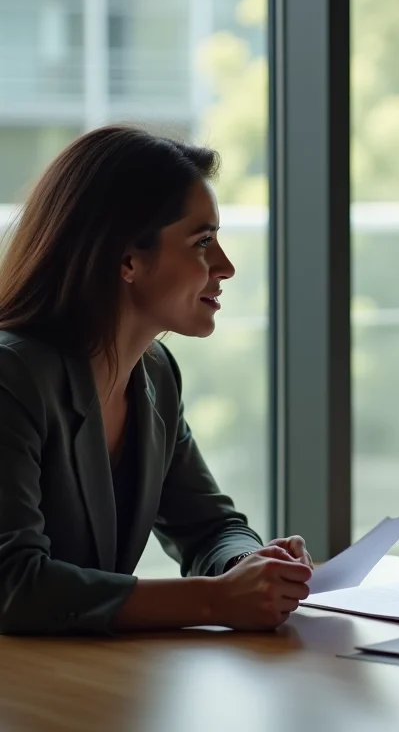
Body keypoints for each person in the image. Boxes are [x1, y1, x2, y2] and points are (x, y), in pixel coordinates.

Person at [0, 125, 313, 635]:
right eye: (203, 241)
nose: (225, 266)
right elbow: (12, 584)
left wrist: (249, 567)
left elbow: (211, 526)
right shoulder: (11, 378)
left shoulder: (155, 373)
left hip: (90, 687)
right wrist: (213, 602)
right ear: (126, 259)